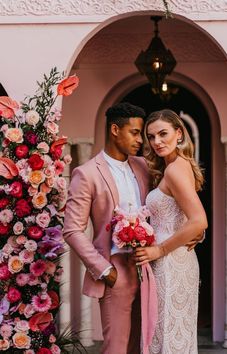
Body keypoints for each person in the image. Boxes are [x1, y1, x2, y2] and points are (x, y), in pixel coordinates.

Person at [63, 102, 149, 354]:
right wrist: (105, 270)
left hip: (147, 268)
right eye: (134, 132)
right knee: (116, 347)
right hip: (116, 271)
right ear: (114, 129)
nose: (140, 140)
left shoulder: (143, 167)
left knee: (142, 345)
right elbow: (72, 229)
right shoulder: (86, 173)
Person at [135, 109, 208, 354]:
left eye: (163, 134)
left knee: (168, 335)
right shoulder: (181, 164)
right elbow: (189, 219)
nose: (157, 142)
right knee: (172, 334)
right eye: (151, 136)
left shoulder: (175, 169)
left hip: (169, 261)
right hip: (178, 258)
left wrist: (159, 249)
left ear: (179, 134)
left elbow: (199, 220)